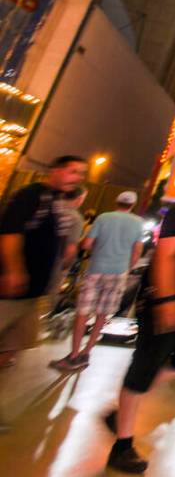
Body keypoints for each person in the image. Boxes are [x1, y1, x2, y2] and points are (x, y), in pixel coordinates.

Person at [105, 166, 175, 474]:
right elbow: (165, 256)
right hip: (164, 301)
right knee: (144, 366)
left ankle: (125, 407)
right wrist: (168, 300)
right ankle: (121, 447)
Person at [0, 155, 87, 370]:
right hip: (12, 289)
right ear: (55, 170)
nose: (77, 178)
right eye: (73, 171)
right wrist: (13, 270)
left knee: (16, 344)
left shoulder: (58, 202)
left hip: (35, 291)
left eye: (82, 174)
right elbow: (10, 233)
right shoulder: (31, 195)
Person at [51, 190, 144, 370]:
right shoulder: (137, 223)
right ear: (132, 205)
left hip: (96, 270)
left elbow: (86, 244)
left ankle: (73, 354)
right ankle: (86, 353)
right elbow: (137, 250)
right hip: (119, 273)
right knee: (102, 314)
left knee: (83, 312)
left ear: (117, 201)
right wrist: (128, 267)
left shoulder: (103, 218)